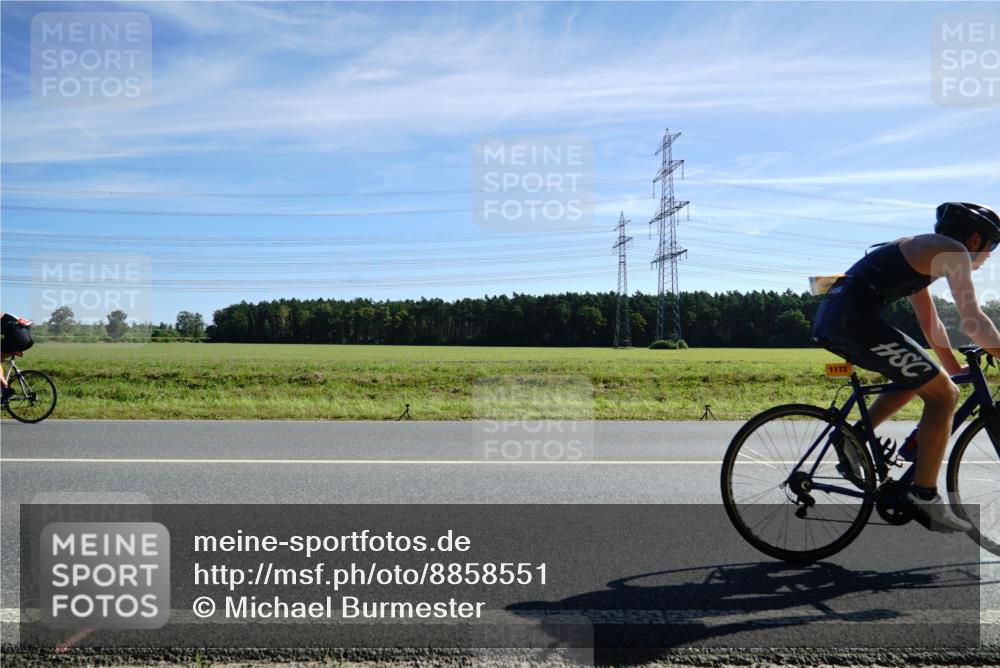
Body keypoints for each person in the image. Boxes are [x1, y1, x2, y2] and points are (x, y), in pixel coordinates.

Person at [810, 202, 1000, 532]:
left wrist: (951, 368)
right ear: (974, 239)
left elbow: (931, 324)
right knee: (943, 397)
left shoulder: (922, 250)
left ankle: (851, 437)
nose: (988, 256)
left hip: (840, 318)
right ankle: (924, 495)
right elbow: (973, 322)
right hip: (854, 321)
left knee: (925, 381)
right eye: (992, 246)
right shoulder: (952, 252)